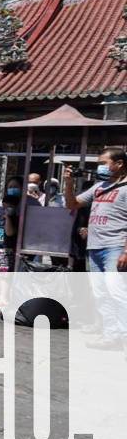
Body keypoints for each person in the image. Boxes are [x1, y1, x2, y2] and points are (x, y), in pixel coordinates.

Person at [63, 147, 127, 350]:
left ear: (119, 164)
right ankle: (111, 336)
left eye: (104, 162)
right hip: (95, 247)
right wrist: (69, 183)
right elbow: (72, 204)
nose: (101, 166)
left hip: (115, 246)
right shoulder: (99, 187)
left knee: (117, 292)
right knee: (101, 293)